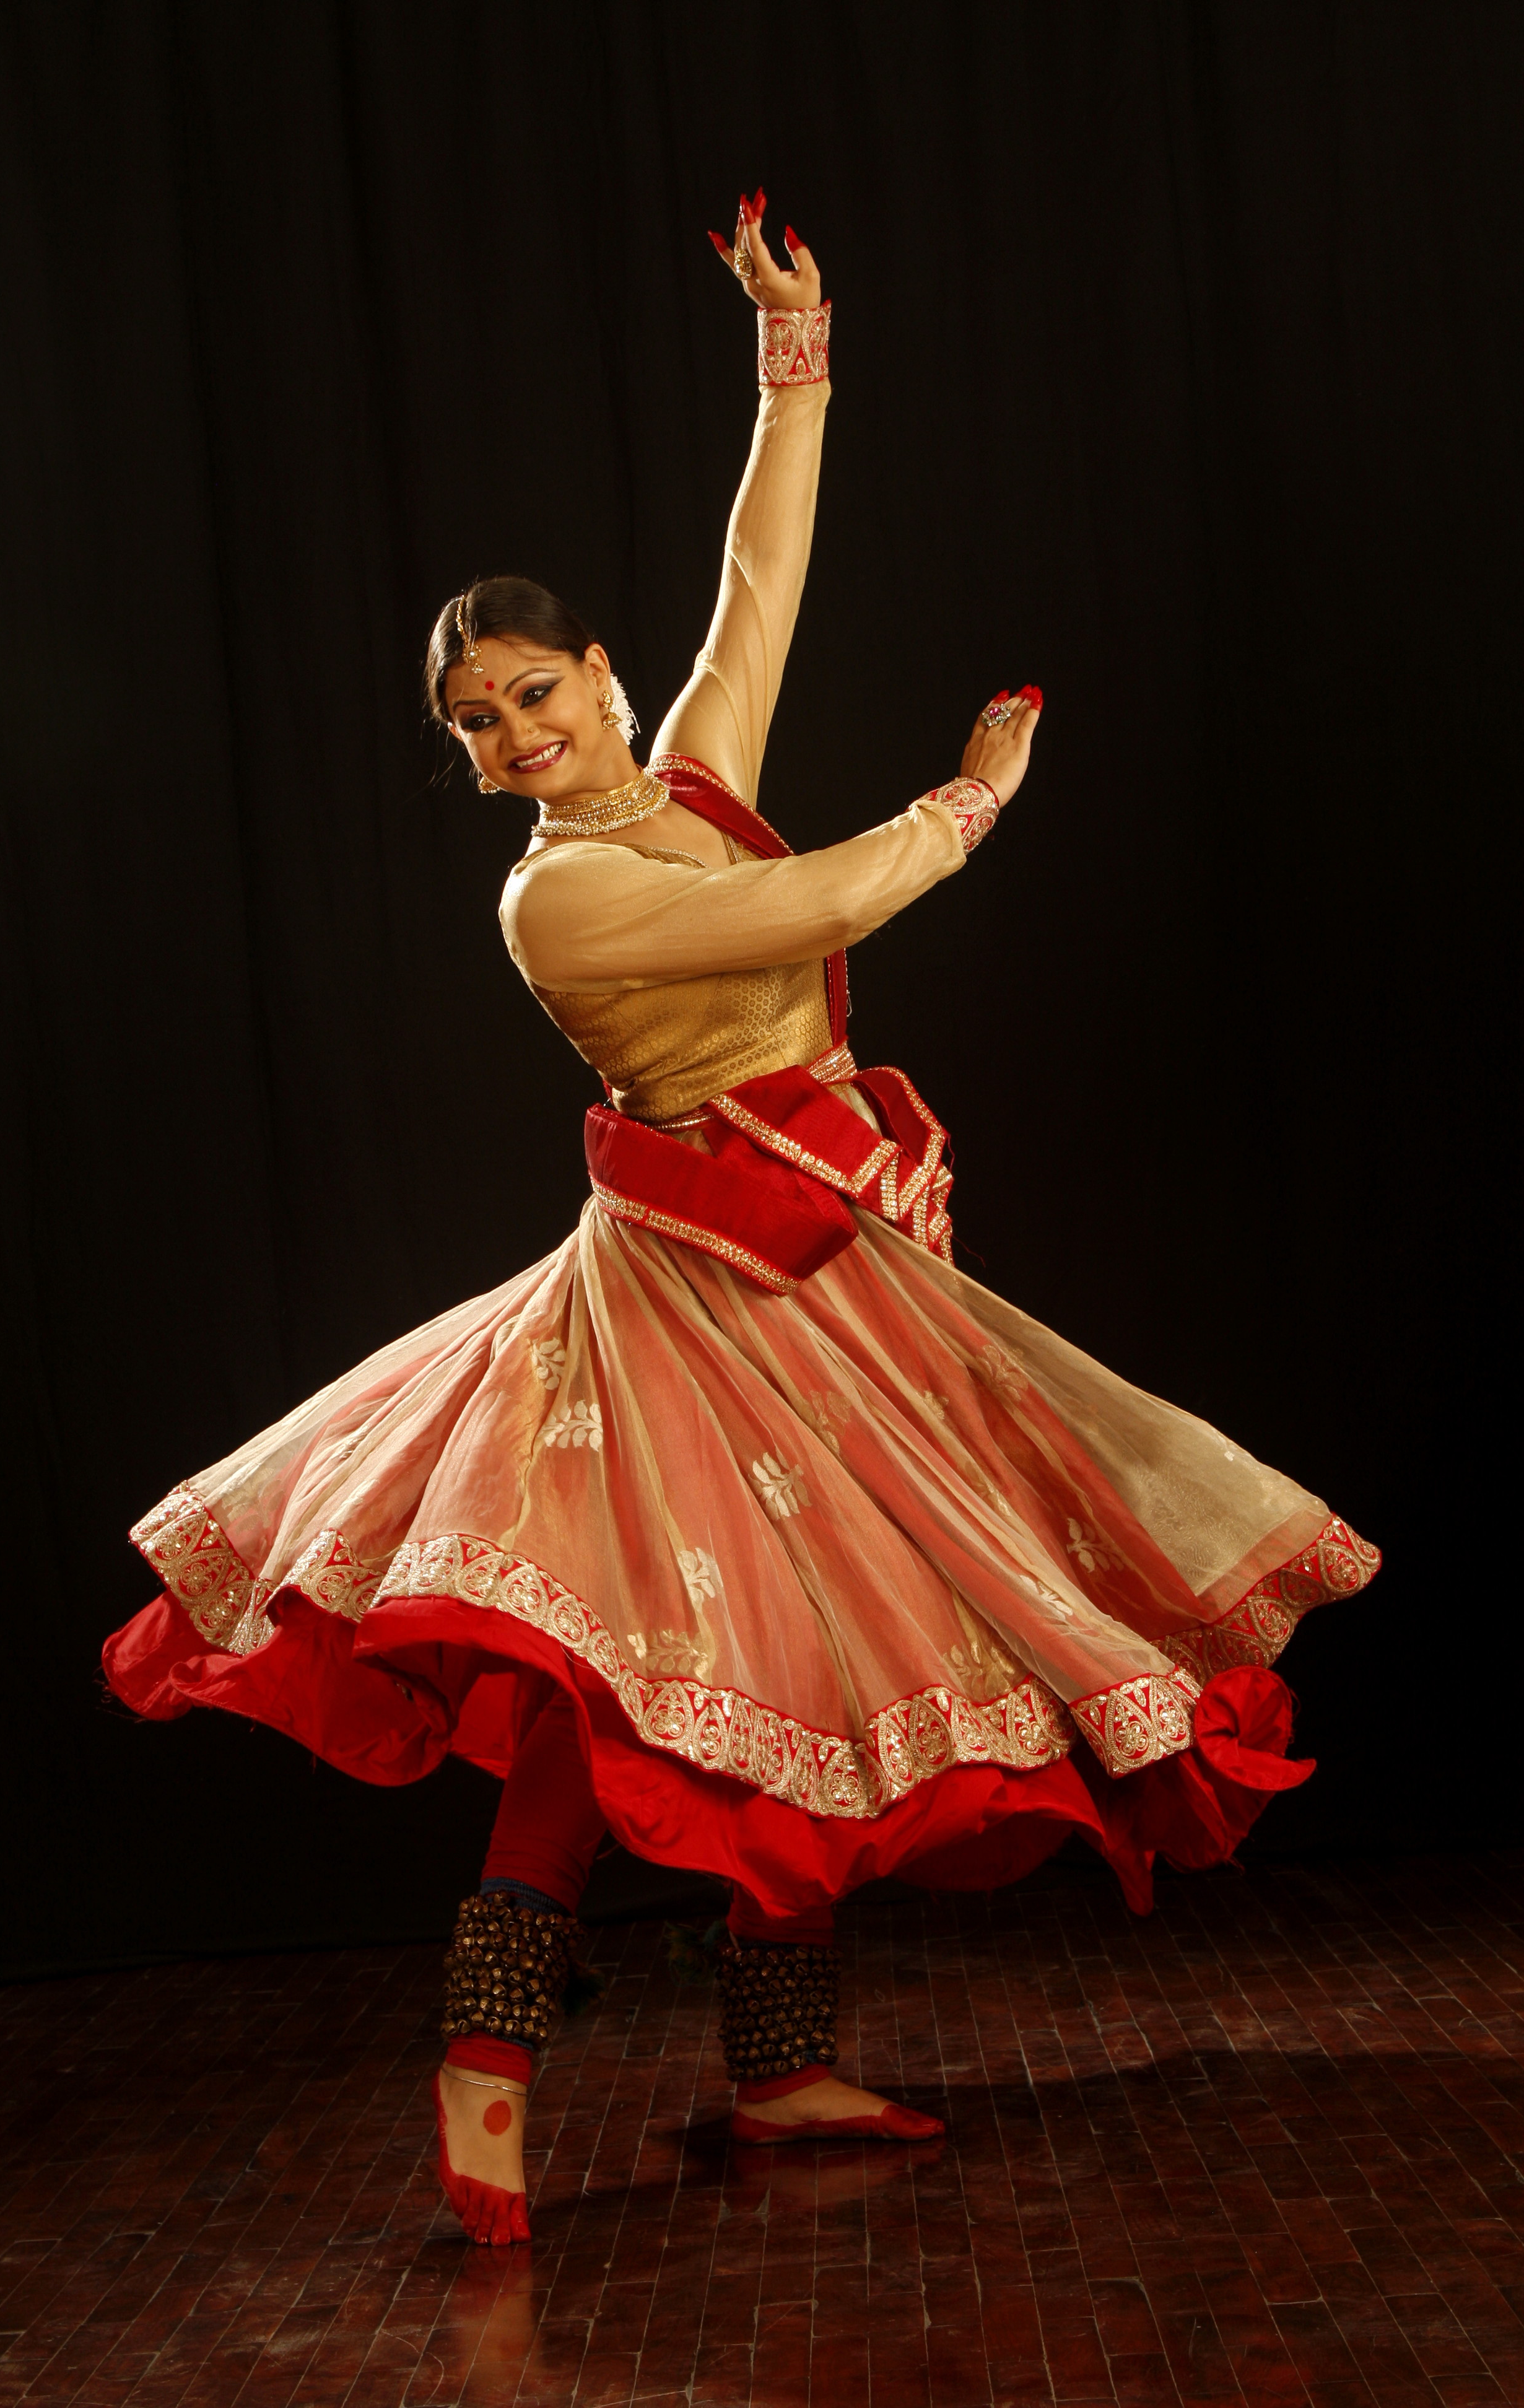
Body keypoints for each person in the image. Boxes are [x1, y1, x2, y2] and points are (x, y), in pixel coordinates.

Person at [104, 193, 1380, 2246]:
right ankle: (487, 2057)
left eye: (535, 692)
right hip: (680, 1302)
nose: (523, 738)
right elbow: (816, 910)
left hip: (831, 1281)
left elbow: (754, 587)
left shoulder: (678, 780)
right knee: (621, 1678)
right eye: (480, 729)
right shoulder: (561, 895)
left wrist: (799, 360)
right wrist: (970, 802)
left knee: (808, 1668)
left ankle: (779, 2065)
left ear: (595, 677)